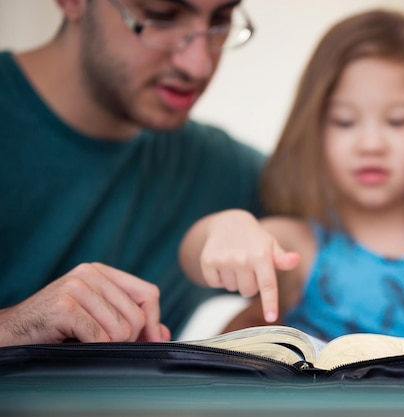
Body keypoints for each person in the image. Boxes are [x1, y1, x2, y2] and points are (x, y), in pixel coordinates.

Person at [180, 10, 404, 346]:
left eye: (398, 121)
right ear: (317, 134)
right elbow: (194, 259)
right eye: (344, 122)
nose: (370, 145)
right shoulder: (296, 246)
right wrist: (226, 226)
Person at [0, 0, 265, 347]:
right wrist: (16, 326)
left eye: (221, 19)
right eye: (160, 17)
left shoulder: (224, 169)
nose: (198, 66)